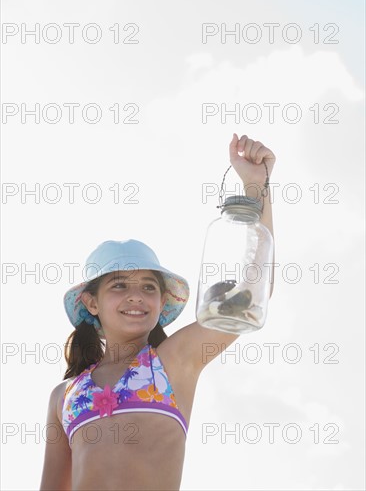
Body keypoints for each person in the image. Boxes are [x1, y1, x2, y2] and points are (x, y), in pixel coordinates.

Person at [39, 133, 276, 491]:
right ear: (91, 303)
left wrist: (256, 186)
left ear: (162, 303)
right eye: (119, 285)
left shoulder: (172, 362)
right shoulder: (64, 395)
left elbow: (254, 292)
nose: (136, 296)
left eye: (149, 287)